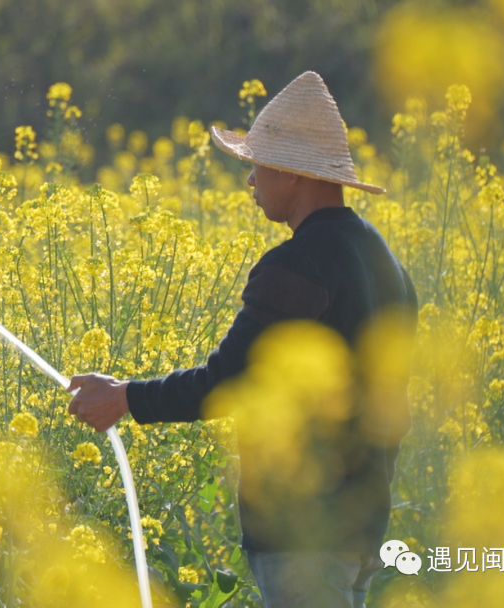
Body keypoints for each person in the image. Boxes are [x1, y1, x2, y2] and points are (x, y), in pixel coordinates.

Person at [66, 71, 418, 608]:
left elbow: (229, 381)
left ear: (293, 175)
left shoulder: (298, 264)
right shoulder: (384, 260)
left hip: (303, 537)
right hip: (362, 527)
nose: (250, 182)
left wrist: (125, 398)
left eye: (257, 166)